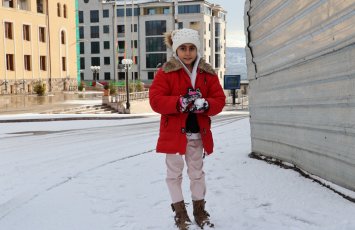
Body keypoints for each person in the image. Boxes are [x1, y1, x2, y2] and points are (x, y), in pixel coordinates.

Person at [149, 28, 226, 230]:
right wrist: (179, 102)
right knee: (174, 175)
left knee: (197, 174)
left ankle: (200, 212)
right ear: (176, 50)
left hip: (198, 134)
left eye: (192, 48)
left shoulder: (207, 73)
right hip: (172, 134)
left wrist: (206, 104)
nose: (188, 52)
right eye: (183, 48)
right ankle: (180, 214)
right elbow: (156, 100)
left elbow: (219, 99)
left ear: (197, 49)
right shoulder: (166, 71)